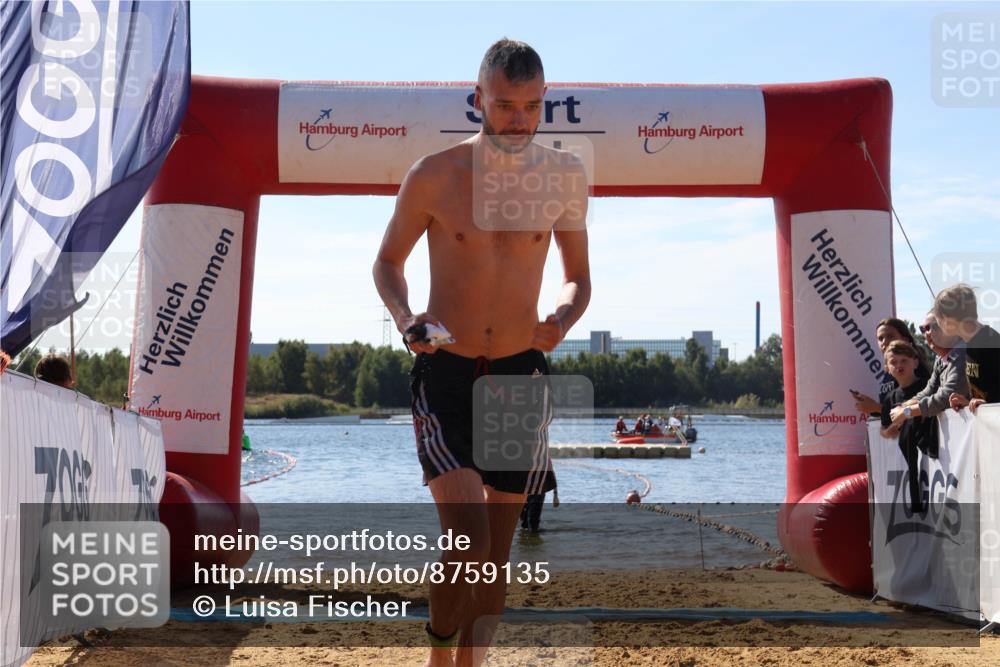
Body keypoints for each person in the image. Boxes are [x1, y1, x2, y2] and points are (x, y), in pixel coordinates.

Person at [372, 38, 590, 667]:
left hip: (521, 373)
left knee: (495, 553)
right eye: (504, 105)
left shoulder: (564, 176)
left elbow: (579, 277)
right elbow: (388, 262)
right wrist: (405, 316)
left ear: (544, 102)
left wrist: (565, 316)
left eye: (529, 106)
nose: (517, 120)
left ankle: (472, 663)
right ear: (477, 101)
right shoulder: (435, 174)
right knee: (465, 541)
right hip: (446, 370)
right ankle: (440, 653)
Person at [880, 340, 932, 513]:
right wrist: (891, 430)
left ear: (915, 362)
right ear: (887, 368)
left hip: (932, 451)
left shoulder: (928, 385)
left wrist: (908, 413)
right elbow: (884, 430)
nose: (899, 366)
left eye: (904, 361)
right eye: (893, 362)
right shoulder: (890, 398)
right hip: (909, 461)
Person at [890, 312, 968, 426]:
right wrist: (903, 407)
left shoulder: (962, 354)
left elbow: (946, 397)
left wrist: (906, 412)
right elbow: (929, 390)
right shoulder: (940, 358)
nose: (928, 333)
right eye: (924, 329)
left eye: (935, 326)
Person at [933, 284, 1000, 414]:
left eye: (938, 321)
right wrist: (968, 402)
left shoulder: (991, 342)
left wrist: (989, 405)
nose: (939, 325)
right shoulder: (970, 344)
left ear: (948, 319)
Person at [853, 317, 929, 415]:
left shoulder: (916, 370)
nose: (884, 341)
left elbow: (916, 410)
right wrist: (871, 407)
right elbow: (888, 412)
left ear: (904, 339)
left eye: (890, 336)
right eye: (880, 338)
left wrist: (876, 407)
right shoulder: (889, 372)